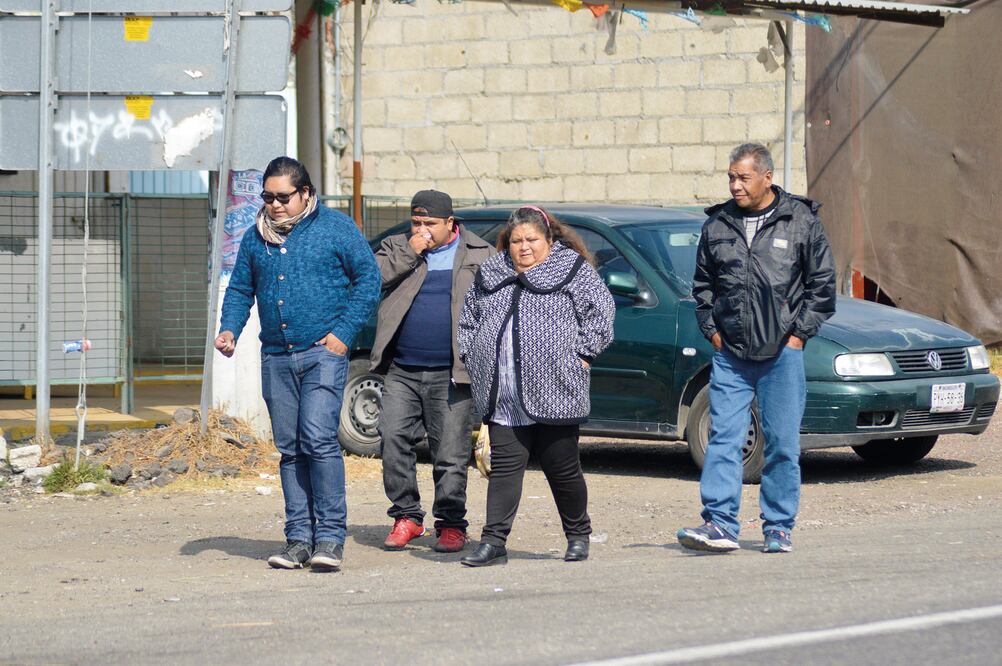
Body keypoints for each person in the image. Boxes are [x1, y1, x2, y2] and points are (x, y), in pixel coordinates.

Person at [215, 156, 381, 571]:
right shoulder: (257, 237)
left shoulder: (335, 228)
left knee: (319, 441)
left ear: (305, 193)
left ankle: (329, 539)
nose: (274, 205)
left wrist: (343, 335)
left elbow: (369, 280)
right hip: (276, 356)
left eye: (283, 197)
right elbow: (240, 289)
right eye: (267, 197)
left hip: (322, 354)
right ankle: (298, 540)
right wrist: (230, 328)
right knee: (290, 449)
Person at [678, 143, 836, 554]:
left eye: (743, 177)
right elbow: (703, 287)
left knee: (782, 444)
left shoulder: (800, 221)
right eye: (731, 177)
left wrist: (798, 336)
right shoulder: (718, 225)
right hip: (731, 355)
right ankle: (719, 525)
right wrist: (712, 330)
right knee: (724, 438)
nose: (735, 185)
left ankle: (779, 527)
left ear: (767, 177)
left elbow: (822, 288)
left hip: (782, 355)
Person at [457, 205, 615, 567]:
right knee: (505, 469)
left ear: (548, 239)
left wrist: (584, 354)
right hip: (503, 392)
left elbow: (602, 311)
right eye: (516, 241)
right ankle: (494, 542)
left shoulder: (572, 269)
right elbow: (469, 318)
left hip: (555, 388)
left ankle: (577, 534)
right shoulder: (491, 273)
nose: (523, 247)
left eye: (532, 240)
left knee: (562, 467)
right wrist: (472, 354)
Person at [370, 190, 495, 553]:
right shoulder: (397, 247)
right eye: (417, 222)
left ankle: (451, 524)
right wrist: (413, 250)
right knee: (392, 440)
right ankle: (407, 517)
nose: (422, 229)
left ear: (450, 223)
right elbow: (373, 280)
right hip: (402, 369)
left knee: (451, 454)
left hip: (453, 372)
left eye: (430, 223)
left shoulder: (480, 253)